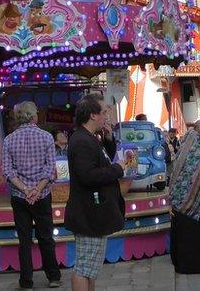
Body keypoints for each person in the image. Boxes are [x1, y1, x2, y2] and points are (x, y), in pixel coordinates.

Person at [65, 94, 125, 291]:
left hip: (94, 213)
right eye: (104, 112)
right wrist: (118, 169)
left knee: (90, 267)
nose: (106, 116)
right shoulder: (81, 140)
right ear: (92, 115)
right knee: (84, 267)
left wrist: (108, 140)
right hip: (89, 213)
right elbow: (88, 175)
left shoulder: (90, 137)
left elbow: (100, 159)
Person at [2, 102, 61, 289]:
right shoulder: (46, 138)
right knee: (46, 237)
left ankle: (26, 281)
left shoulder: (9, 140)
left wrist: (26, 190)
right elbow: (50, 168)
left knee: (24, 240)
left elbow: (7, 171)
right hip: (42, 195)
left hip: (20, 196)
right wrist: (37, 189)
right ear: (33, 116)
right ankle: (53, 276)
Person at [167, 131, 200, 274]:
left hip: (182, 208)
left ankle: (186, 265)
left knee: (187, 239)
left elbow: (174, 180)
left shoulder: (181, 157)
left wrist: (175, 200)